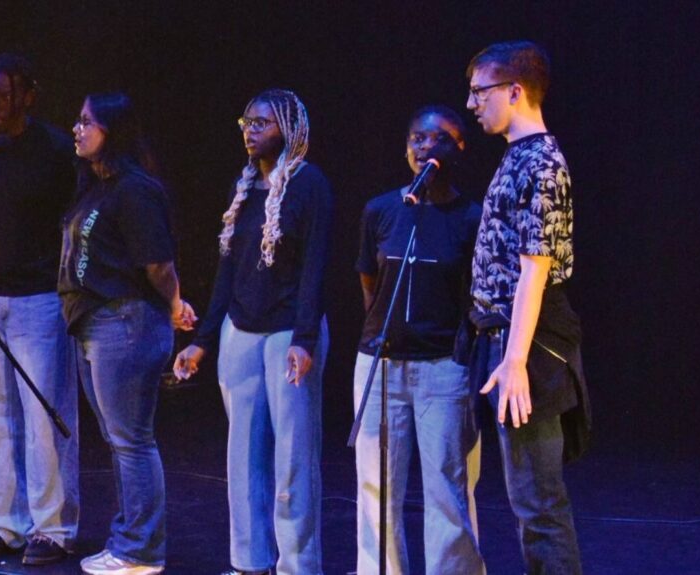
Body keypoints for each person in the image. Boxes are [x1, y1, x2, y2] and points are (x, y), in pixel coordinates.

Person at [173, 89, 333, 575]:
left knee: (293, 458)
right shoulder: (243, 188)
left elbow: (314, 270)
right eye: (246, 121)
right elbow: (228, 269)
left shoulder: (310, 186)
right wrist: (202, 340)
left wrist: (305, 340)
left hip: (289, 333)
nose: (250, 130)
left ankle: (298, 566)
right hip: (240, 331)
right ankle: (249, 562)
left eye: (262, 122)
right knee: (242, 456)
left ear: (289, 128)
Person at [462, 41, 590, 574]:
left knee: (538, 502)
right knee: (525, 500)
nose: (472, 105)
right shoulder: (517, 156)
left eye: (479, 92)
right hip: (505, 338)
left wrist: (515, 361)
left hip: (529, 344)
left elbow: (535, 269)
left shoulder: (541, 162)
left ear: (515, 92)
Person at [59, 92, 194, 575]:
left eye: (86, 122)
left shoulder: (135, 189)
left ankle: (140, 550)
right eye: (77, 121)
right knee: (120, 441)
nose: (76, 129)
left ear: (112, 131)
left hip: (127, 323)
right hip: (96, 323)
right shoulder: (96, 186)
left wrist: (176, 303)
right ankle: (129, 539)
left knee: (132, 440)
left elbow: (157, 263)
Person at [352, 106, 486, 575]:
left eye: (437, 139)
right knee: (376, 487)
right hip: (380, 363)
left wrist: (460, 356)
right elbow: (370, 279)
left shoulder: (471, 218)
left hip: (442, 367)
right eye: (416, 139)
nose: (424, 148)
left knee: (445, 489)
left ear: (460, 147)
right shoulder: (382, 209)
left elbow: (474, 294)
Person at [0, 53, 81, 566]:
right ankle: (4, 524)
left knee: (44, 414)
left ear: (26, 96)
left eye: (2, 95)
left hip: (38, 298)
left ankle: (52, 528)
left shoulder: (55, 149)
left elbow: (72, 218)